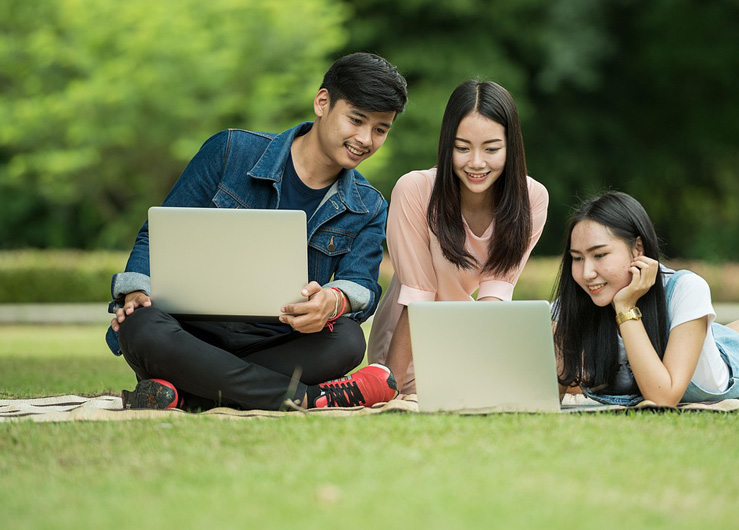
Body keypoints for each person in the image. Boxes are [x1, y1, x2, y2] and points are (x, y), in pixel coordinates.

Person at [107, 52, 408, 411]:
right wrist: (136, 291)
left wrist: (334, 301)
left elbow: (360, 284)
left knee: (346, 340)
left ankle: (186, 391)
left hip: (279, 340)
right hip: (188, 332)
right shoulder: (230, 150)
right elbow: (156, 235)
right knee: (140, 326)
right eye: (356, 120)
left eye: (380, 129)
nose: (365, 138)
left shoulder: (369, 205)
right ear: (322, 102)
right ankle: (310, 398)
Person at [553, 190, 739, 407]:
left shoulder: (685, 288)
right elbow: (548, 392)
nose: (587, 272)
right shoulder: (576, 301)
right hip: (699, 344)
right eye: (577, 258)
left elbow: (663, 398)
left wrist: (625, 307)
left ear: (637, 249)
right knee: (714, 336)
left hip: (723, 377)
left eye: (600, 255)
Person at [367, 80, 549, 395]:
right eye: (462, 148)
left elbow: (495, 296)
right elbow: (417, 298)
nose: (476, 163)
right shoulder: (415, 190)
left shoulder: (532, 198)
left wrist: (483, 368)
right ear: (446, 144)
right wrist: (390, 390)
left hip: (471, 334)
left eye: (491, 149)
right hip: (406, 343)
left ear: (511, 147)